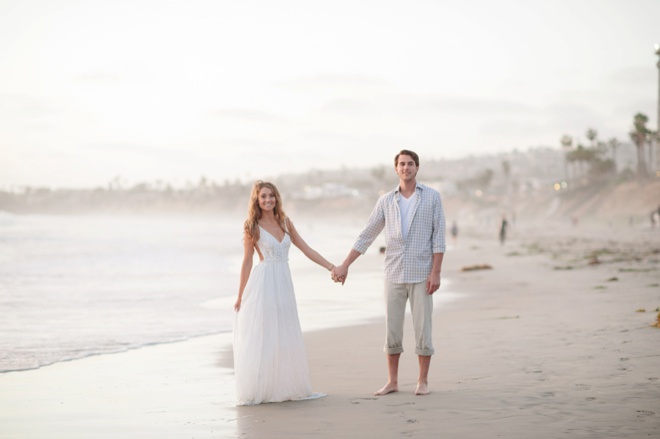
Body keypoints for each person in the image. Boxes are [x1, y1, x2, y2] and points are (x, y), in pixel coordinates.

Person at [332, 150, 446, 396]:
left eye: (410, 164)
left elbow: (439, 239)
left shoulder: (432, 198)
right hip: (393, 273)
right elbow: (367, 234)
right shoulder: (385, 201)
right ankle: (392, 381)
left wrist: (436, 273)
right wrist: (345, 264)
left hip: (421, 273)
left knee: (423, 330)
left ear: (417, 168)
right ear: (396, 169)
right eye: (402, 164)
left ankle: (422, 382)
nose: (406, 168)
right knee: (392, 330)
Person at [233, 180, 333, 406]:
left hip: (284, 283)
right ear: (257, 201)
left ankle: (283, 386)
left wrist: (330, 267)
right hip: (264, 283)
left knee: (285, 332)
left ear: (276, 198)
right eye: (263, 197)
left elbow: (306, 249)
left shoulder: (285, 222)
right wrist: (240, 295)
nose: (268, 200)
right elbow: (247, 261)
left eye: (271, 196)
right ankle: (264, 388)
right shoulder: (252, 226)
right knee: (267, 335)